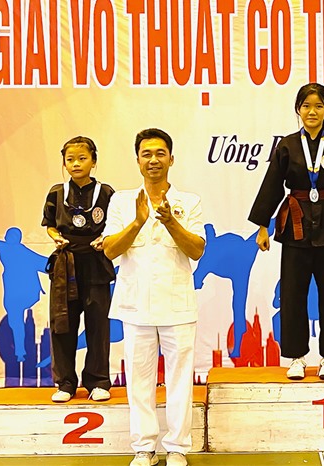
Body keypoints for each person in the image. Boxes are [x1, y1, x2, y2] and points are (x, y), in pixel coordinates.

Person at [249, 83, 324, 381]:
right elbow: (272, 184)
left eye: (318, 106)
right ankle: (296, 357)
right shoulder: (287, 145)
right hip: (295, 224)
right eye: (306, 106)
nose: (312, 112)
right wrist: (263, 225)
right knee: (293, 294)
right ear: (298, 110)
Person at [103, 128, 205, 466]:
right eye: (146, 154)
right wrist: (137, 222)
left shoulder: (188, 202)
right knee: (139, 380)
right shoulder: (121, 201)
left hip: (177, 305)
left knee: (179, 379)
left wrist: (171, 222)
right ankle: (144, 447)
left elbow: (197, 250)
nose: (153, 160)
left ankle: (177, 447)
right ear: (137, 161)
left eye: (160, 153)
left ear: (171, 159)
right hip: (136, 305)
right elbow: (110, 250)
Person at [42, 136, 115, 403]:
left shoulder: (106, 193)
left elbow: (115, 224)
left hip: (96, 262)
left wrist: (105, 237)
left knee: (98, 325)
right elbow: (50, 224)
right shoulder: (56, 192)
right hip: (66, 265)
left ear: (94, 161)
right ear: (64, 163)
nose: (76, 164)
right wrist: (56, 237)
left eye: (82, 158)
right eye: (70, 159)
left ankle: (98, 381)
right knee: (63, 324)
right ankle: (65, 383)